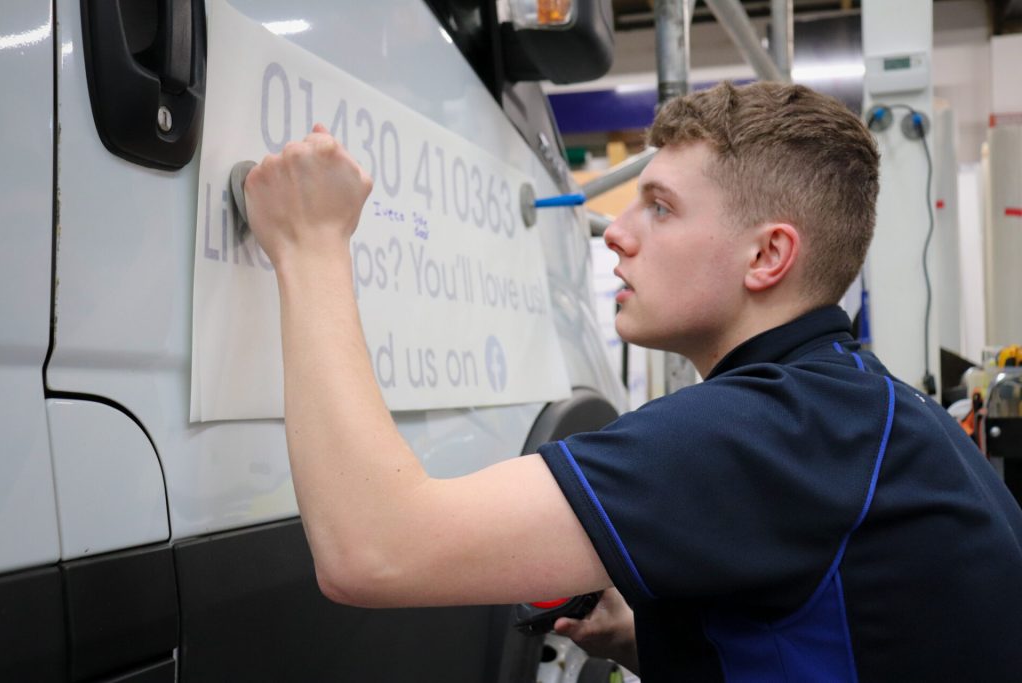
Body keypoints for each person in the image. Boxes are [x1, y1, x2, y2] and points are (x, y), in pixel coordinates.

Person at [244, 81, 1022, 681]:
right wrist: (656, 639)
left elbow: (373, 549)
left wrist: (310, 245)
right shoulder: (858, 402)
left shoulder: (765, 426)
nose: (614, 231)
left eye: (659, 207)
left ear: (766, 256)